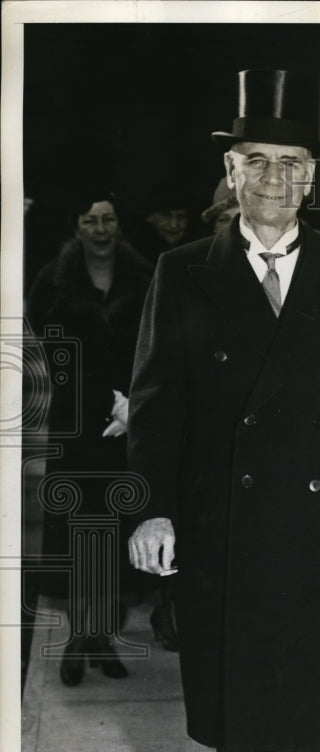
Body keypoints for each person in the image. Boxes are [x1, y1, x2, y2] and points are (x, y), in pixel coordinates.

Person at [126, 68, 320, 752]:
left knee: (313, 710)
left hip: (319, 529)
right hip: (220, 527)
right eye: (257, 161)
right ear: (231, 175)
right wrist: (152, 509)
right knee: (237, 704)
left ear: (312, 177)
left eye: (292, 163)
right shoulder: (182, 271)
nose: (275, 179)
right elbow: (156, 401)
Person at [26, 190, 154, 685]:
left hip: (126, 422)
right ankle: (78, 638)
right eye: (90, 220)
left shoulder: (143, 280)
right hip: (76, 424)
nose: (100, 229)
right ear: (76, 228)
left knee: (116, 526)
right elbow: (46, 344)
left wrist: (132, 404)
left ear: (118, 226)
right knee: (79, 530)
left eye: (108, 219)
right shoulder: (53, 283)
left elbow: (155, 345)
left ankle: (103, 634)